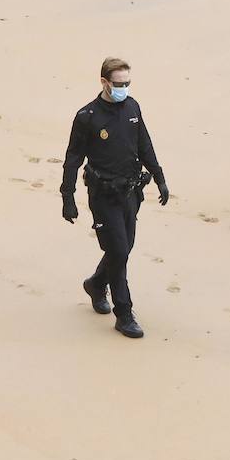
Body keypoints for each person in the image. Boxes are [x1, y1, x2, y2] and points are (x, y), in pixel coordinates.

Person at [59, 57, 170, 339]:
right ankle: (124, 313)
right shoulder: (88, 116)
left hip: (131, 192)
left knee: (124, 247)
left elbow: (144, 144)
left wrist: (159, 177)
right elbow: (73, 159)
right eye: (119, 84)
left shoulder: (133, 108)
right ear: (104, 82)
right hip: (103, 195)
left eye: (128, 83)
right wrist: (67, 197)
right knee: (119, 252)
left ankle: (96, 284)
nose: (124, 88)